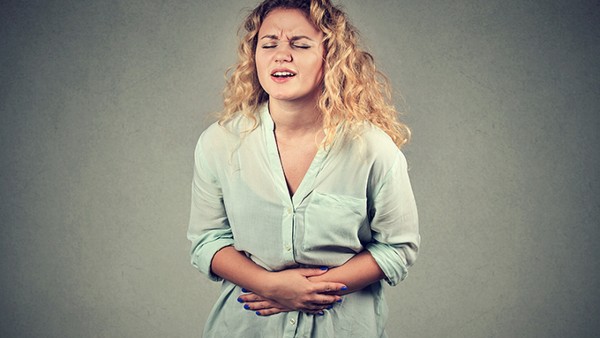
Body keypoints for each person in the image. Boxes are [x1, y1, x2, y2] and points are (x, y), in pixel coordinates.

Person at [187, 0, 420, 336]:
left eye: (300, 44)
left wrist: (308, 291)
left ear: (331, 57)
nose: (282, 55)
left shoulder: (372, 149)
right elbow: (207, 240)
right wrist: (267, 284)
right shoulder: (219, 144)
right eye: (269, 44)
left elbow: (398, 247)